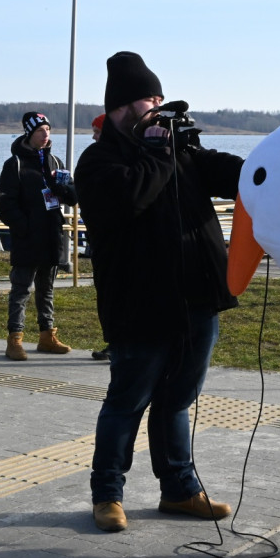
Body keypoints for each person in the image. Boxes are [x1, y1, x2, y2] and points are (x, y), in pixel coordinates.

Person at [75, 51, 243, 532]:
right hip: (139, 303)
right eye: (150, 99)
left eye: (160, 100)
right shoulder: (98, 161)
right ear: (122, 107)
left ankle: (180, 490)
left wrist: (277, 168)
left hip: (197, 299)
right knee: (127, 401)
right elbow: (131, 199)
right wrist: (158, 152)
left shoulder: (177, 150)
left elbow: (229, 173)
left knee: (178, 399)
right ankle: (107, 493)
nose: (157, 108)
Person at [0, 112, 78, 361]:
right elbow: (5, 204)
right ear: (29, 134)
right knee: (21, 290)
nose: (46, 135)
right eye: (41, 130)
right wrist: (23, 227)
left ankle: (47, 336)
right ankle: (15, 339)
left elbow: (73, 198)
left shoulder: (55, 161)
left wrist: (61, 188)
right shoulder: (15, 165)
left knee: (47, 289)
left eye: (48, 130)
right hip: (27, 238)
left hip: (51, 236)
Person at [86, 113, 111, 363]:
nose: (93, 137)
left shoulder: (113, 160)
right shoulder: (97, 159)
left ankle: (119, 343)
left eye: (97, 131)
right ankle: (115, 341)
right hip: (101, 242)